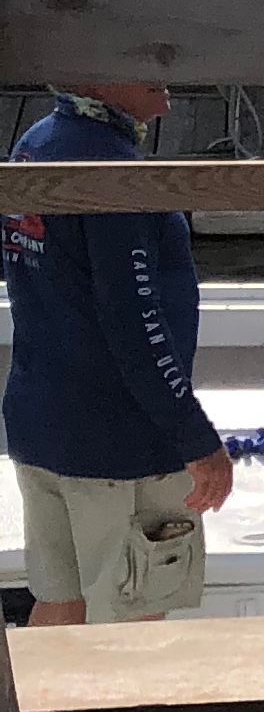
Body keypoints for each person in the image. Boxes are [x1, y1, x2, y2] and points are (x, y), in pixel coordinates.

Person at [3, 81, 233, 623]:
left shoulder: (35, 145)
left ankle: (24, 711)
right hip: (120, 448)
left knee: (61, 605)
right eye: (137, 54)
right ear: (91, 71)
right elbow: (136, 326)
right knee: (133, 639)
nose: (162, 66)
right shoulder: (113, 171)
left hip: (41, 429)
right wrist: (197, 441)